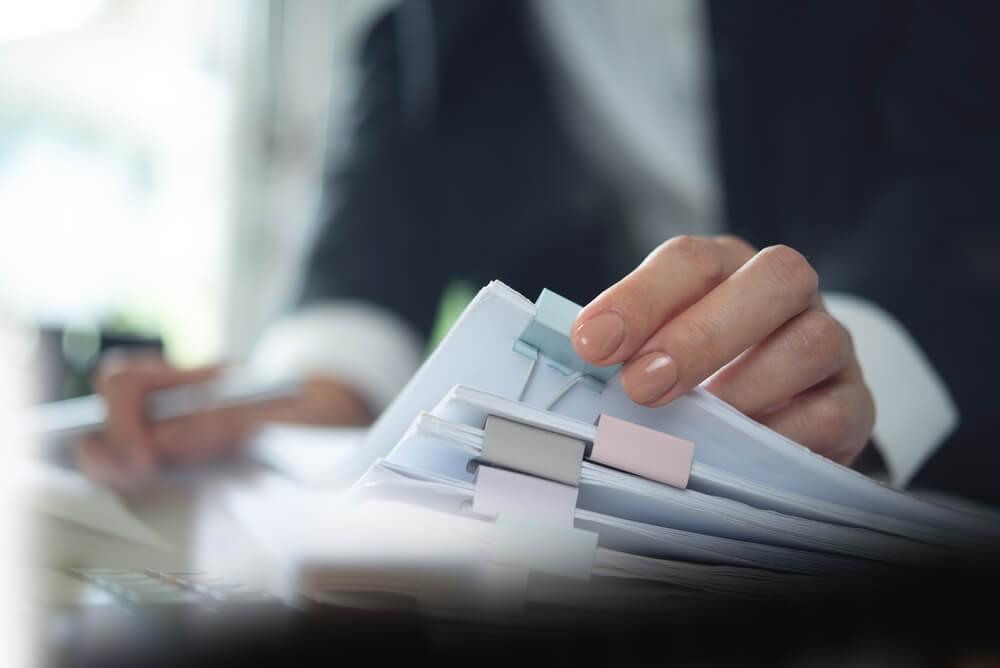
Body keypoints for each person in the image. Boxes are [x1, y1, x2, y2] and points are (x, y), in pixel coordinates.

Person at [76, 0, 1000, 505]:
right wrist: (305, 397)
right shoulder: (428, 27)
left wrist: (836, 376)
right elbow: (367, 245)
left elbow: (968, 174)